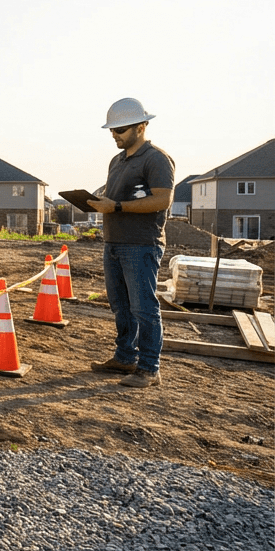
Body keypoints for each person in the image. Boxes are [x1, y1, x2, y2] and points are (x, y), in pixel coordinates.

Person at [87, 98, 174, 388]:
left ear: (142, 126)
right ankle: (125, 357)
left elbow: (163, 199)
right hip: (114, 242)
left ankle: (150, 369)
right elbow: (116, 200)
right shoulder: (117, 161)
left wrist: (118, 208)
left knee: (143, 308)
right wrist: (101, 204)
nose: (115, 135)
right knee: (121, 306)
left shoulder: (156, 159)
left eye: (121, 129)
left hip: (141, 245)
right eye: (112, 130)